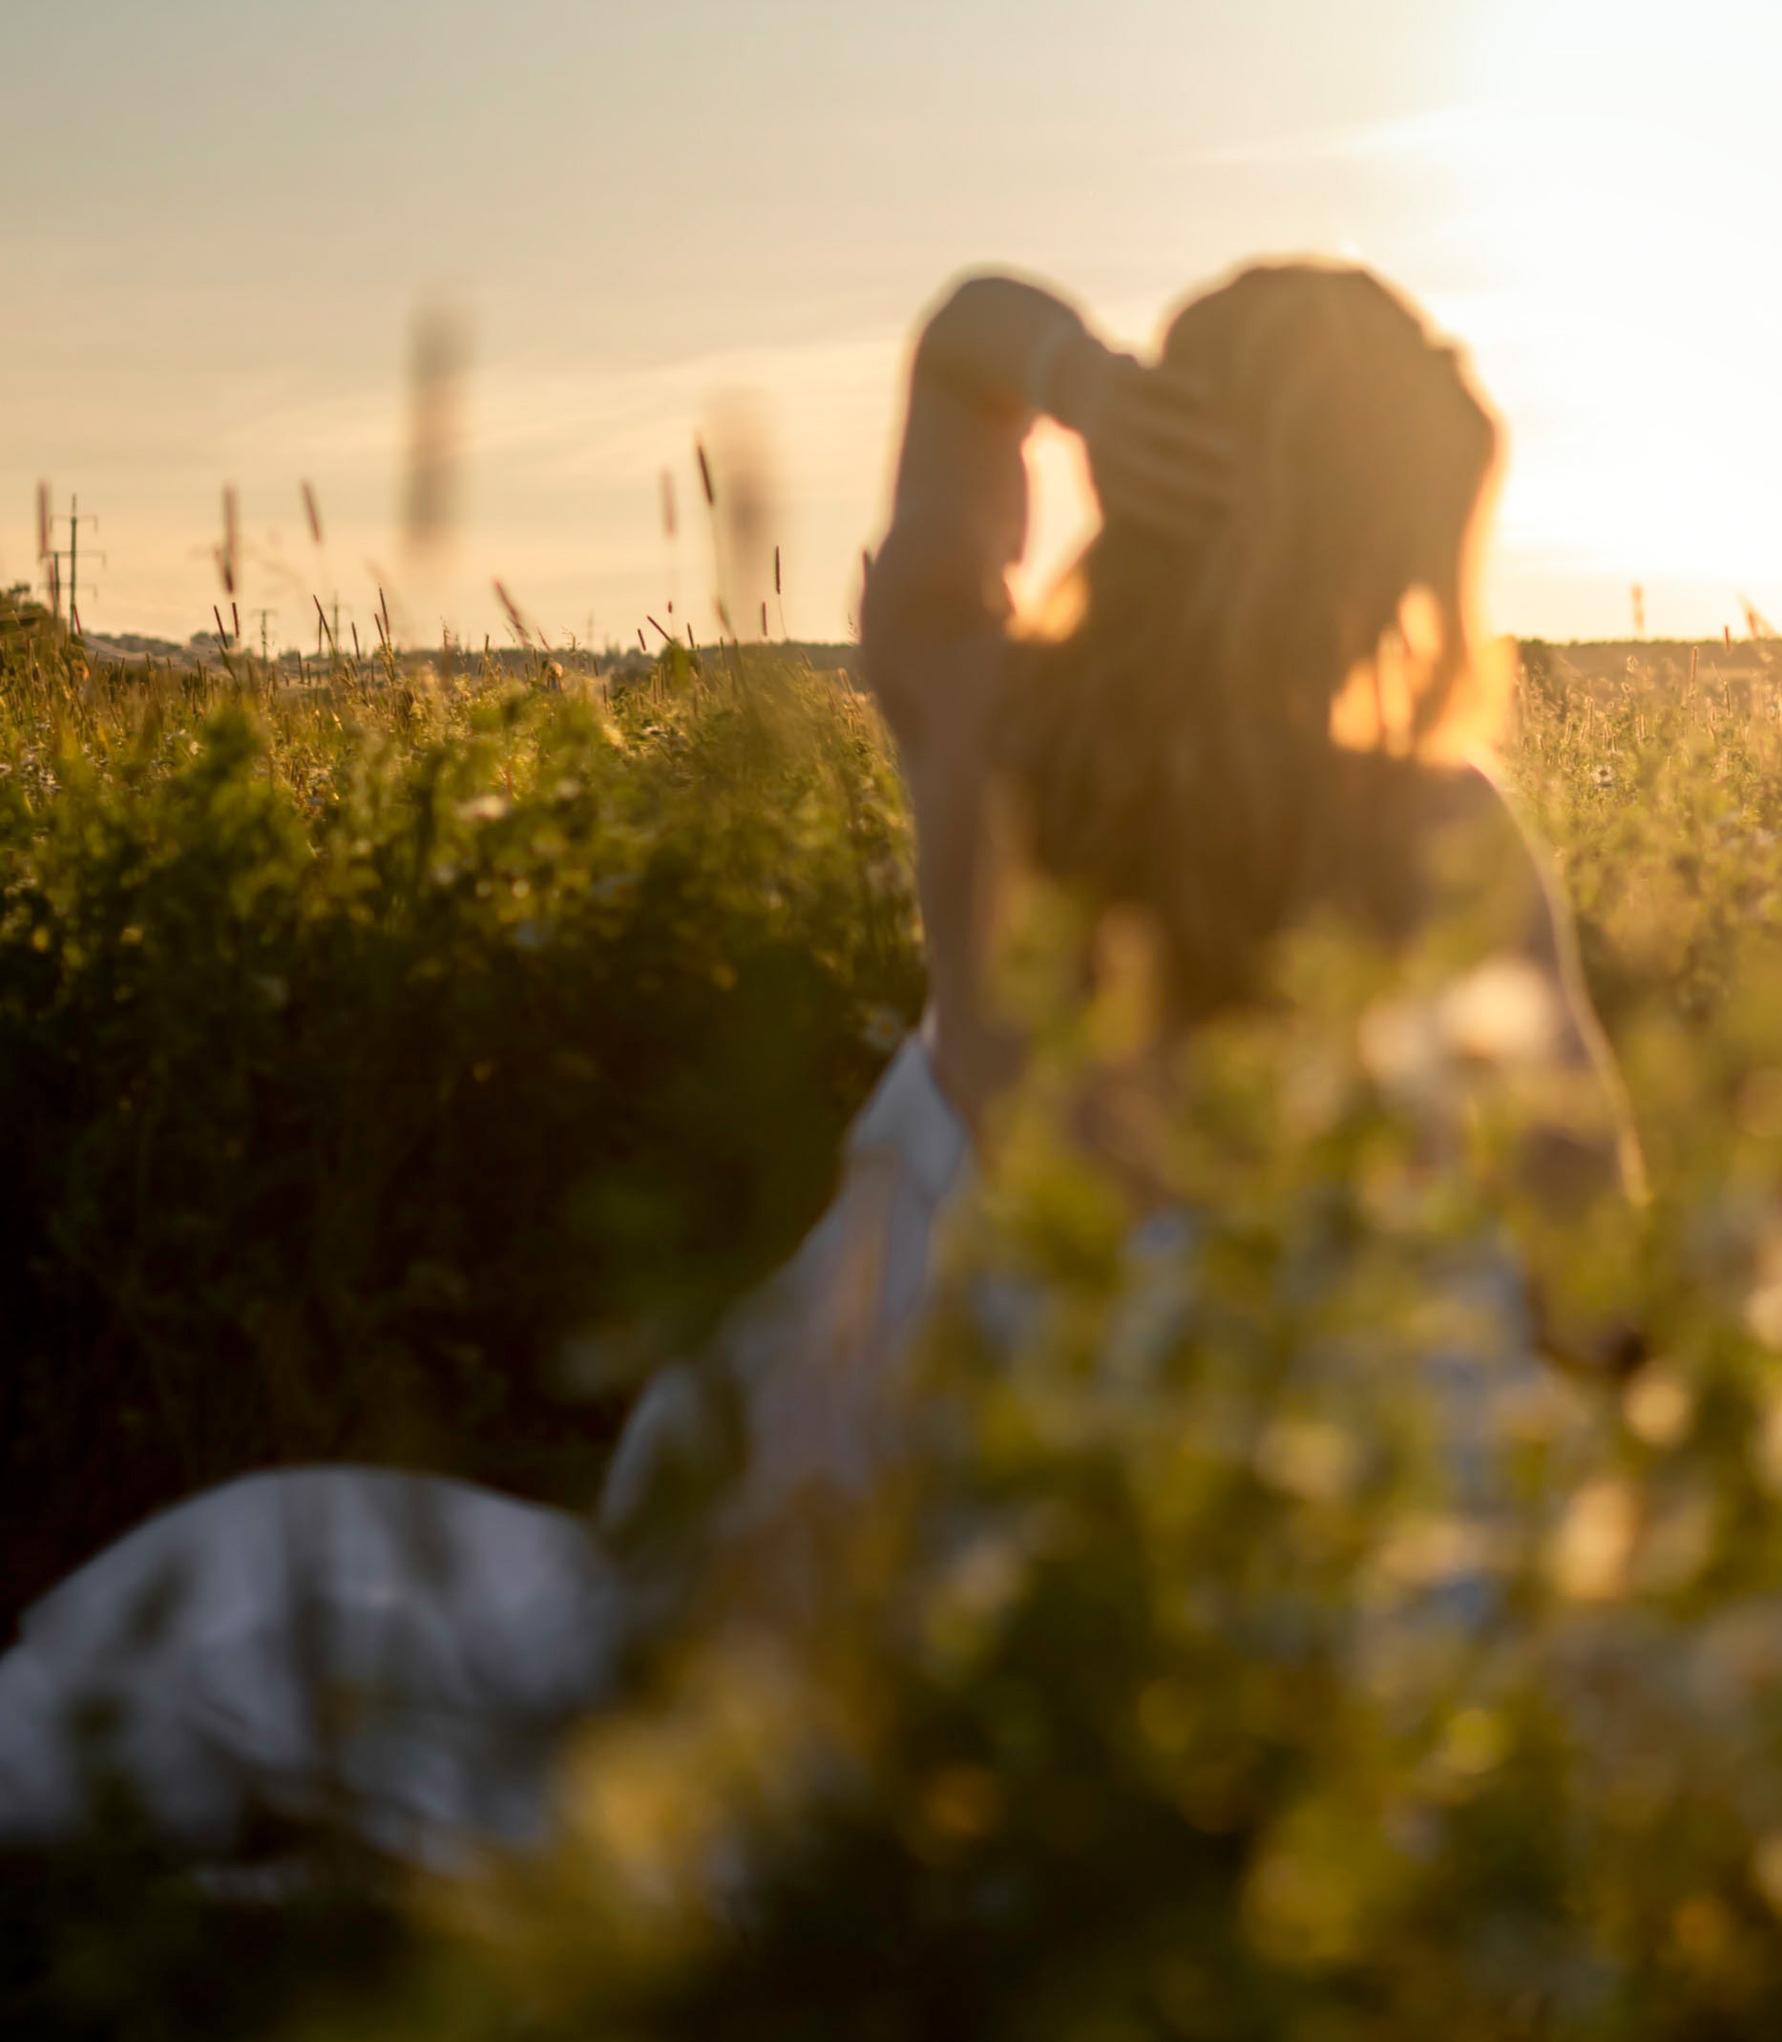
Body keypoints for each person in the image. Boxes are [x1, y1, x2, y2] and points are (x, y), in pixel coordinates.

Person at [0, 262, 1631, 1865]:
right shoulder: (1431, 831)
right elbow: (1587, 1233)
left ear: (1155, 480)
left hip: (948, 1440)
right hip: (1297, 1494)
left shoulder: (981, 709)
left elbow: (955, 350)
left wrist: (1076, 381)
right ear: (1389, 555)